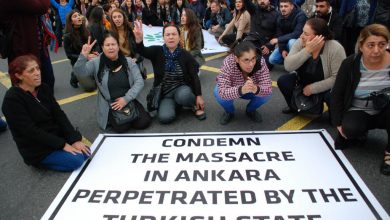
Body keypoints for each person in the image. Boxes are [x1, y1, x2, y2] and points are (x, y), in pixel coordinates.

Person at [1, 55, 90, 172]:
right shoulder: (12, 100)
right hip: (37, 148)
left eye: (38, 68)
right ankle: (39, 163)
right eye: (31, 71)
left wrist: (74, 139)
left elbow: (59, 115)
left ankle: (63, 151)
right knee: (77, 160)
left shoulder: (43, 88)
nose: (37, 73)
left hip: (54, 136)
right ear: (19, 76)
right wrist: (62, 145)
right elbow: (31, 131)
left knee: (86, 152)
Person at [330, 24, 390, 175]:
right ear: (361, 46)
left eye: (382, 44)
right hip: (358, 108)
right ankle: (360, 131)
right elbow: (337, 94)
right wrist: (338, 122)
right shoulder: (350, 63)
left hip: (385, 109)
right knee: (350, 129)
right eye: (371, 45)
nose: (376, 50)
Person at [74, 31, 152, 132]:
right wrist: (83, 56)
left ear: (118, 46)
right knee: (122, 127)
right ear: (102, 47)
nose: (111, 47)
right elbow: (79, 72)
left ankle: (131, 114)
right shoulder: (96, 63)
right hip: (111, 104)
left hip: (130, 99)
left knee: (144, 123)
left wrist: (126, 99)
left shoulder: (128, 61)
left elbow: (139, 81)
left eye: (113, 44)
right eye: (107, 45)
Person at [134, 21, 206, 124]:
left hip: (182, 89)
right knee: (165, 118)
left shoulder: (185, 55)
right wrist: (139, 40)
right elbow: (143, 51)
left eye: (174, 34)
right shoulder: (157, 51)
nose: (171, 37)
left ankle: (193, 105)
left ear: (179, 37)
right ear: (163, 37)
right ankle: (176, 104)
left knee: (183, 95)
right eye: (167, 34)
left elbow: (194, 76)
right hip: (165, 93)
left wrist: (199, 96)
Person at [278, 18, 346, 114]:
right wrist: (307, 51)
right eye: (302, 32)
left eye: (306, 34)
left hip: (325, 86)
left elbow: (337, 78)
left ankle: (334, 113)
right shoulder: (300, 42)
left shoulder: (335, 48)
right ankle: (293, 106)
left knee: (332, 95)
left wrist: (313, 88)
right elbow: (288, 66)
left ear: (320, 37)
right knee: (283, 81)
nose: (301, 36)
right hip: (303, 81)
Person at [0, 0, 57, 92]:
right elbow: (42, 7)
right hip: (23, 50)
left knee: (46, 84)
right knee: (28, 89)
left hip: (38, 47)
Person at [215, 40, 272, 125]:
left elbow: (268, 88)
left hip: (252, 88)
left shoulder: (260, 61)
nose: (251, 64)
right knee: (218, 93)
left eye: (253, 58)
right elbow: (223, 92)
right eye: (246, 60)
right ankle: (229, 112)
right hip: (234, 88)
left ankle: (250, 110)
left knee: (267, 95)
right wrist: (241, 90)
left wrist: (256, 89)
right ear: (237, 59)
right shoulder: (228, 62)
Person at [64, 9, 99, 89]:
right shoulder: (67, 36)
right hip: (78, 62)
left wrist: (95, 52)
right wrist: (85, 56)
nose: (78, 17)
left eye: (79, 15)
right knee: (91, 88)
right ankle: (74, 76)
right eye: (75, 16)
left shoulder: (87, 31)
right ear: (71, 22)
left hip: (90, 59)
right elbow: (69, 55)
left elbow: (95, 44)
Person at [268, 0, 307, 65]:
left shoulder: (301, 15)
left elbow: (297, 33)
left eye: (286, 6)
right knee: (272, 59)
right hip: (285, 42)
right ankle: (289, 63)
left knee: (291, 42)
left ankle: (296, 66)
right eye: (281, 6)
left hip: (298, 43)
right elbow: (279, 33)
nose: (283, 9)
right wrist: (282, 50)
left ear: (292, 6)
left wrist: (278, 39)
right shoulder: (279, 15)